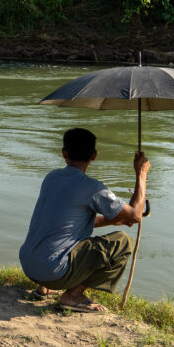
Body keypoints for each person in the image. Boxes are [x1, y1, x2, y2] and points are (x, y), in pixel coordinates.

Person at [19, 127, 149, 313]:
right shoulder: (92, 188)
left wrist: (112, 220)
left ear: (64, 153)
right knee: (123, 242)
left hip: (29, 265)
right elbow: (136, 215)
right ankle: (73, 295)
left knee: (63, 237)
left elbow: (65, 222)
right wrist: (141, 174)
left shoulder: (52, 178)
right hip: (52, 271)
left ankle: (44, 287)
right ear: (94, 155)